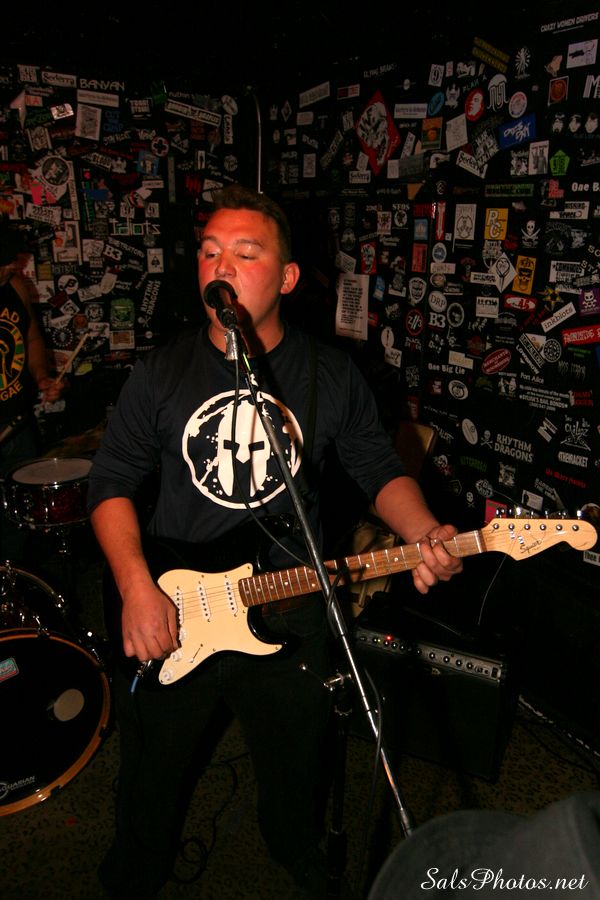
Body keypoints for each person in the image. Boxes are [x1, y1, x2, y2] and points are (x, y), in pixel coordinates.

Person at [87, 184, 462, 899]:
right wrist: (135, 587)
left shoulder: (328, 374)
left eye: (244, 252)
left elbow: (379, 469)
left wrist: (423, 532)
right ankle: (134, 873)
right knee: (151, 771)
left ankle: (296, 851)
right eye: (208, 252)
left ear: (286, 278)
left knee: (296, 764)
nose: (220, 266)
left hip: (291, 607)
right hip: (176, 607)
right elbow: (109, 483)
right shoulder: (161, 372)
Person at [0, 223, 64, 560]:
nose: (11, 268)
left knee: (17, 518)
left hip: (18, 425)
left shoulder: (15, 286)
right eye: (3, 264)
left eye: (12, 261)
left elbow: (32, 337)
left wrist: (41, 376)